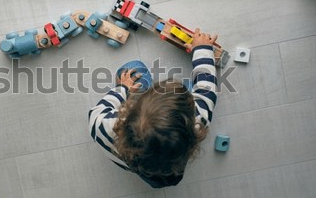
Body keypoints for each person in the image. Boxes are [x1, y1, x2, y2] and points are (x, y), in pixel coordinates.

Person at [88, 29, 218, 188]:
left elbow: (100, 110)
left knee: (133, 67)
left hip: (134, 164)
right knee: (188, 89)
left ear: (129, 113)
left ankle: (144, 91)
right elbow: (207, 88)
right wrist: (203, 49)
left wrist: (123, 89)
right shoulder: (197, 121)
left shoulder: (106, 128)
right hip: (170, 172)